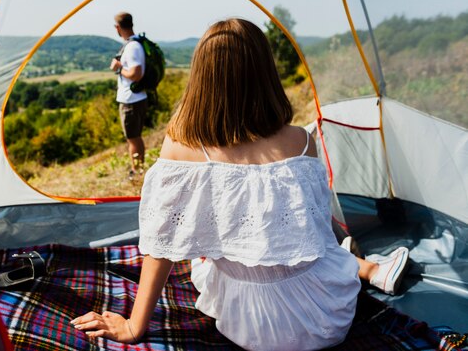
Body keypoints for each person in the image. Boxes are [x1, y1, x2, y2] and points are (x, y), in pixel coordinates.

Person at [72, 18, 409, 350]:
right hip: (324, 315)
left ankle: (362, 265)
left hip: (251, 323)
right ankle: (365, 267)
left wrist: (134, 326)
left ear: (202, 77)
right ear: (266, 73)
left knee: (205, 258)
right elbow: (315, 233)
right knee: (323, 248)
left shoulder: (181, 146)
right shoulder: (302, 141)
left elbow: (162, 246)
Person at [111, 12, 147, 178]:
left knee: (132, 138)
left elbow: (136, 74)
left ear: (118, 27)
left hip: (131, 99)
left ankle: (136, 171)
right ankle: (138, 168)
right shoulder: (135, 44)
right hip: (137, 97)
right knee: (135, 137)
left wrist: (119, 67)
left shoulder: (132, 47)